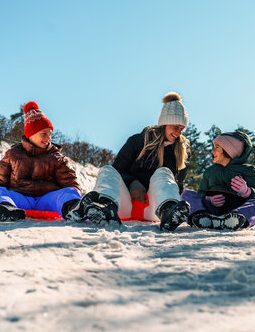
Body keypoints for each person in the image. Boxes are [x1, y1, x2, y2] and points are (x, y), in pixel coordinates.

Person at [67, 92, 191, 230]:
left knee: (164, 172)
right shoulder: (137, 141)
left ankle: (168, 212)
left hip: (153, 209)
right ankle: (106, 207)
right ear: (164, 123)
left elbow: (177, 185)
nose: (179, 132)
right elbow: (118, 171)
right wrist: (133, 183)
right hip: (125, 205)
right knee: (107, 170)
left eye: (182, 129)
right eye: (175, 127)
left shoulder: (180, 152)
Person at [0, 101, 82, 221]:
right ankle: (4, 208)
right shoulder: (13, 154)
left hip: (47, 200)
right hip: (19, 199)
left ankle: (74, 208)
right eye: (43, 134)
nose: (48, 138)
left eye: (49, 134)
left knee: (68, 192)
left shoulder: (56, 157)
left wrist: (73, 195)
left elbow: (70, 183)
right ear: (31, 134)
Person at [181, 131, 255, 230]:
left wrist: (246, 191)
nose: (212, 151)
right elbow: (201, 193)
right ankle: (201, 216)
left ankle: (235, 219)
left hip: (236, 207)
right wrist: (208, 199)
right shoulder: (210, 171)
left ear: (229, 151)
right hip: (210, 209)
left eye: (216, 148)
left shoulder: (248, 170)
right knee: (187, 194)